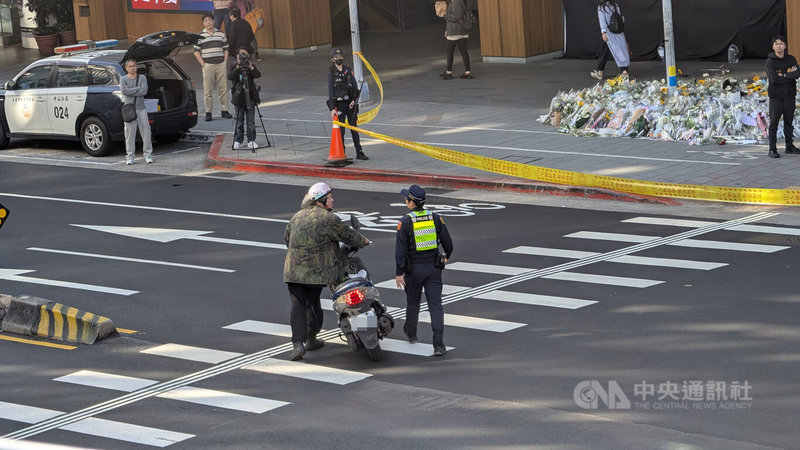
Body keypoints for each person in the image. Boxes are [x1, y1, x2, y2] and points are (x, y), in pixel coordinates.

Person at [283, 182, 371, 361]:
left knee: (298, 305)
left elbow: (287, 238)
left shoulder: (296, 217)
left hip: (292, 271)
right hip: (317, 272)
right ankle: (312, 338)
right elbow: (348, 235)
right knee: (313, 302)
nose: (332, 200)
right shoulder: (328, 219)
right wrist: (364, 241)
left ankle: (298, 345)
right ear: (321, 201)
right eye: (330, 197)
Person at [395, 184, 454, 357]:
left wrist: (399, 273)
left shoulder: (405, 222)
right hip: (433, 269)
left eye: (406, 199)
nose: (405, 201)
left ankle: (412, 334)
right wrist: (446, 255)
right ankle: (438, 344)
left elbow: (400, 250)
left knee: (413, 303)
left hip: (413, 270)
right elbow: (448, 242)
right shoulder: (436, 218)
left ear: (411, 203)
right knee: (435, 306)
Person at [327, 48, 369, 160]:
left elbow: (355, 87)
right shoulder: (332, 74)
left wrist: (353, 100)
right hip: (339, 105)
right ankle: (342, 152)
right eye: (336, 57)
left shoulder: (348, 70)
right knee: (340, 130)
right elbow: (331, 92)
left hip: (350, 104)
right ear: (332, 59)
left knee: (354, 128)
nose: (339, 59)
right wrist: (332, 108)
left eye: (340, 57)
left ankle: (359, 151)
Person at [765, 35, 800, 159]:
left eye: (781, 44)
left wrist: (784, 76)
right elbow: (773, 79)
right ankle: (772, 149)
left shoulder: (791, 59)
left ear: (785, 45)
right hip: (776, 97)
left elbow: (797, 73)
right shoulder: (770, 61)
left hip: (789, 95)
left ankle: (789, 146)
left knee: (788, 122)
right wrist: (788, 75)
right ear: (773, 46)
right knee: (774, 123)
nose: (779, 46)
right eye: (776, 44)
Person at [194, 13, 232, 122]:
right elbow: (196, 51)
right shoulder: (200, 35)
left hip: (221, 64)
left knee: (223, 88)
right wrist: (203, 63)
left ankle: (224, 110)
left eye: (210, 20)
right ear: (203, 23)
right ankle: (208, 112)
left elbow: (226, 48)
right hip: (208, 65)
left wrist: (225, 61)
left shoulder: (220, 33)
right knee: (207, 90)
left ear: (214, 21)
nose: (208, 22)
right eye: (206, 21)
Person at [120, 58, 153, 165]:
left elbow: (144, 91)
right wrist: (137, 89)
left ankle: (147, 154)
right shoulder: (123, 79)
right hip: (129, 109)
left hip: (141, 108)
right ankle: (130, 156)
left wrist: (131, 90)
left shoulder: (142, 77)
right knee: (129, 133)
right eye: (129, 66)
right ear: (126, 68)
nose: (132, 68)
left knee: (146, 131)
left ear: (136, 66)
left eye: (134, 66)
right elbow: (124, 91)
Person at [228, 46, 261, 150]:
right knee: (239, 120)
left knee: (251, 121)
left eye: (245, 54)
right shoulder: (234, 66)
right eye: (241, 54)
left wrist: (251, 67)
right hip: (239, 97)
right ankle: (238, 140)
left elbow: (258, 75)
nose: (243, 56)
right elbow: (230, 76)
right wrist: (237, 67)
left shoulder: (250, 65)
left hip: (250, 96)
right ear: (237, 56)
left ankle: (251, 140)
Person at [595, 0, 629, 79]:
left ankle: (600, 72)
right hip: (618, 32)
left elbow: (602, 21)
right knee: (621, 51)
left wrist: (603, 32)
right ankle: (625, 72)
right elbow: (620, 18)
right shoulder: (615, 5)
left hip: (608, 33)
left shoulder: (601, 8)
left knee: (603, 52)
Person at [441, 0, 471, 80]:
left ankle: (448, 73)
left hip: (455, 31)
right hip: (462, 30)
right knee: (464, 52)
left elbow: (457, 16)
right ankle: (467, 72)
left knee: (449, 52)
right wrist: (447, 30)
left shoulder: (456, 1)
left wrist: (445, 15)